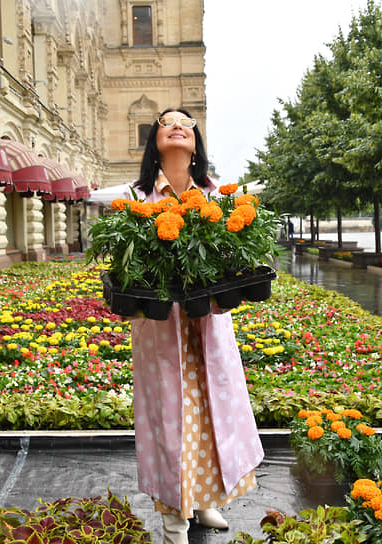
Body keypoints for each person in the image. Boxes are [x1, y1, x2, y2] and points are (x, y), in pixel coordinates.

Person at [127, 108, 264, 544]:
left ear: (195, 140)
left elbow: (233, 258)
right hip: (160, 328)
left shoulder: (216, 197)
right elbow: (123, 265)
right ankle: (174, 523)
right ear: (156, 140)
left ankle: (205, 500)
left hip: (206, 322)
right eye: (167, 122)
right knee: (170, 419)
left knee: (208, 413)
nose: (177, 126)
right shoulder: (138, 196)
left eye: (185, 122)